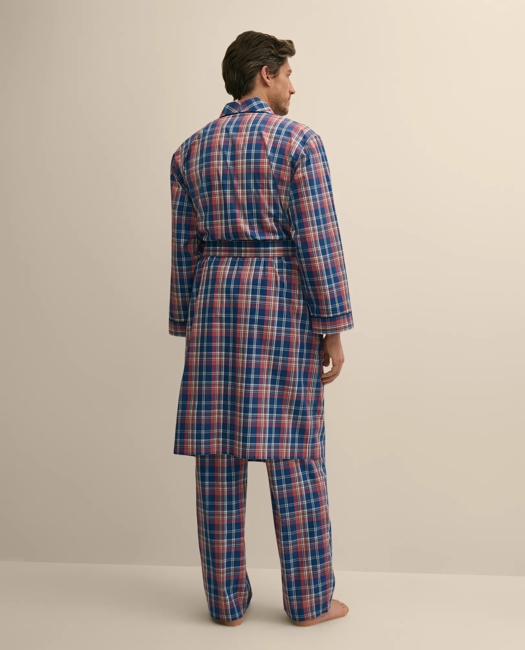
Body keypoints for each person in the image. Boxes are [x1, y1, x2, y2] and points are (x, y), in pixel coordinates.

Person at [169, 30, 354, 627]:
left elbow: (184, 248)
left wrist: (187, 320)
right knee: (295, 452)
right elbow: (319, 240)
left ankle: (224, 603)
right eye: (288, 74)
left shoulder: (189, 151)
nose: (293, 86)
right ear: (265, 74)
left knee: (217, 458)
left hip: (213, 308)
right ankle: (309, 600)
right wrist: (332, 327)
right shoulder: (298, 142)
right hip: (279, 306)